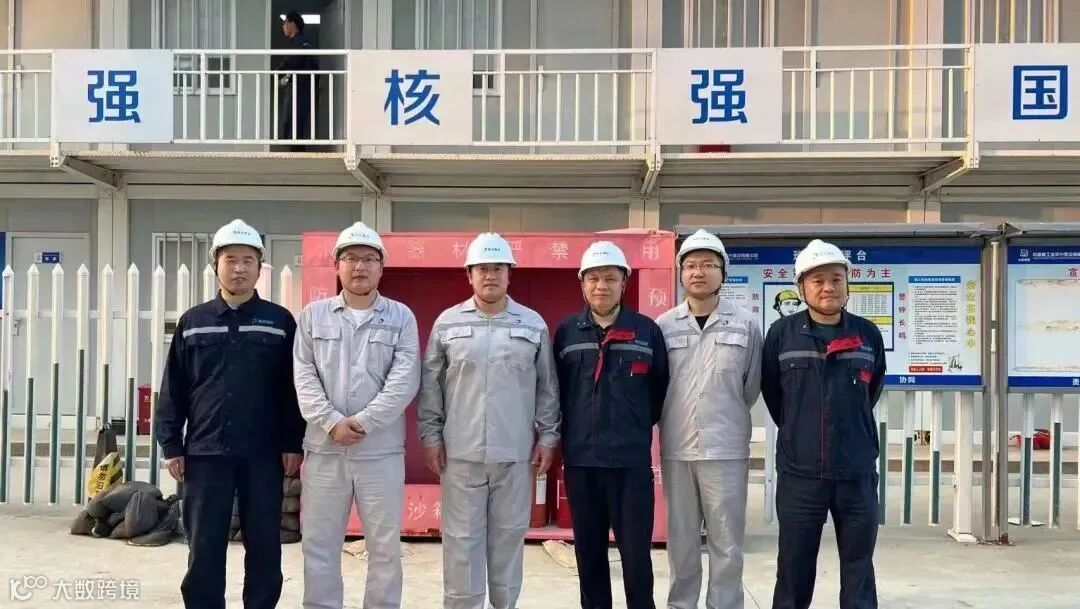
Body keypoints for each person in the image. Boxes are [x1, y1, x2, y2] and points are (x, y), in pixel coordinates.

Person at [155, 218, 305, 609]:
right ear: (215, 265)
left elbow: (292, 388)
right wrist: (171, 445)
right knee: (204, 542)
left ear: (260, 267)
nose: (239, 268)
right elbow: (174, 387)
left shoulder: (279, 322)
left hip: (263, 452)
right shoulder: (194, 322)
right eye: (231, 260)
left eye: (247, 260)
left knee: (264, 542)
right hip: (205, 452)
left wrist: (292, 442)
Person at [418, 232, 561, 609]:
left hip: (514, 456)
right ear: (469, 275)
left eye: (498, 268)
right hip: (460, 456)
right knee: (461, 543)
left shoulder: (532, 324)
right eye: (482, 268)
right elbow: (431, 386)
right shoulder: (447, 324)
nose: (490, 275)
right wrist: (431, 437)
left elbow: (547, 386)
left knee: (509, 539)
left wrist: (548, 437)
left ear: (510, 273)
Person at [292, 221, 421, 609]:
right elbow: (303, 375)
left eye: (369, 259)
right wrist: (331, 422)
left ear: (382, 267)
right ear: (337, 265)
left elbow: (405, 379)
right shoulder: (313, 317)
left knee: (384, 547)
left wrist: (363, 422)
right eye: (350, 258)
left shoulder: (401, 317)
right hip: (324, 450)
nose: (359, 266)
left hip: (379, 453)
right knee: (320, 544)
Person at [761, 238, 887, 609]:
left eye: (836, 279)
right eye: (817, 280)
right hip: (800, 474)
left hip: (856, 472)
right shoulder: (781, 334)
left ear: (848, 284)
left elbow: (871, 390)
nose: (828, 287)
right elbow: (774, 394)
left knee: (859, 567)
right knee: (794, 567)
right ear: (802, 288)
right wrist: (800, 433)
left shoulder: (867, 334)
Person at [552, 241, 669, 609]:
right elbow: (557, 392)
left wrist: (631, 427)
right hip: (582, 463)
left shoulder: (647, 331)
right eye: (593, 279)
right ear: (582, 283)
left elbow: (659, 392)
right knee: (589, 557)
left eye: (610, 278)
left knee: (636, 558)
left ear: (624, 283)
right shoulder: (567, 332)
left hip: (630, 465)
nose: (601, 286)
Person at [657, 229, 763, 609]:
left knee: (727, 542)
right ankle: (681, 604)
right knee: (682, 542)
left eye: (707, 265)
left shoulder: (746, 325)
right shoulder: (663, 326)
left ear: (723, 272)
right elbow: (657, 386)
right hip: (678, 448)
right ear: (681, 273)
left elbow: (750, 386)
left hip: (726, 449)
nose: (698, 272)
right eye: (690, 265)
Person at [276, 11, 317, 149]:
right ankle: (295, 151)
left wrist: (280, 71)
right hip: (299, 88)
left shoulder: (301, 42)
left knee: (294, 123)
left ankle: (296, 154)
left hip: (299, 89)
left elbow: (295, 61)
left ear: (292, 23)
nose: (283, 26)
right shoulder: (298, 42)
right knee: (293, 123)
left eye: (284, 23)